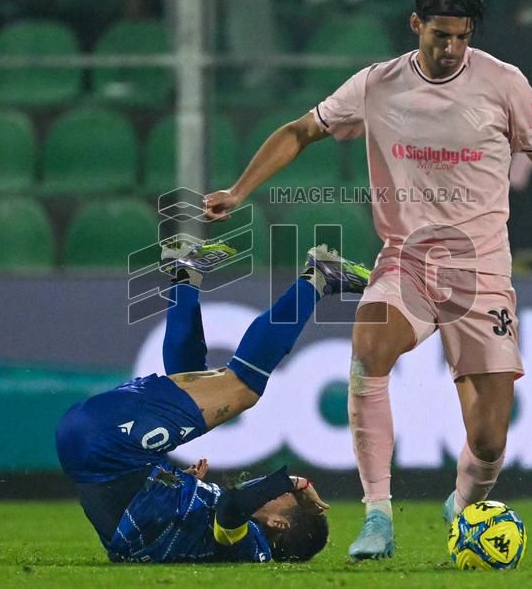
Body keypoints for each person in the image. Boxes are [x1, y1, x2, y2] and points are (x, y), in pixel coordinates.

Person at [203, 0, 532, 560]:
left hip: (482, 269)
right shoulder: (378, 85)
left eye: (461, 36)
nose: (451, 47)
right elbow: (301, 131)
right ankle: (377, 515)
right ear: (416, 25)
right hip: (408, 261)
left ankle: (464, 502)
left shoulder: (504, 84)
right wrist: (239, 189)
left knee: (488, 437)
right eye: (439, 35)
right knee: (369, 345)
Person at [56, 240, 371, 563]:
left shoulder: (251, 548)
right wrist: (173, 484)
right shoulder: (214, 541)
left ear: (279, 523)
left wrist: (293, 482)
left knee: (242, 388)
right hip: (92, 450)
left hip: (107, 445)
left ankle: (319, 278)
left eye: (283, 497)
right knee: (193, 381)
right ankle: (184, 273)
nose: (272, 489)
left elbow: (232, 507)